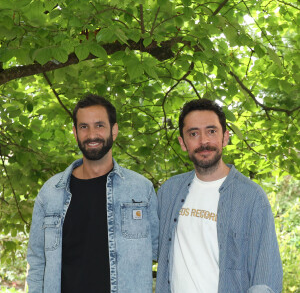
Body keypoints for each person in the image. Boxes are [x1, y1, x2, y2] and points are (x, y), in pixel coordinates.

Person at [27, 94, 159, 293]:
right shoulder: (50, 193)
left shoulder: (141, 190)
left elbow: (162, 253)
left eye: (99, 125)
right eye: (83, 127)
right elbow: (37, 260)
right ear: (75, 132)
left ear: (114, 131)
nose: (91, 134)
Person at [155, 99, 283, 293]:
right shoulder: (169, 192)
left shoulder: (252, 197)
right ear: (183, 142)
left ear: (225, 137)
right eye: (193, 133)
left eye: (212, 131)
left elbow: (266, 276)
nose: (204, 141)